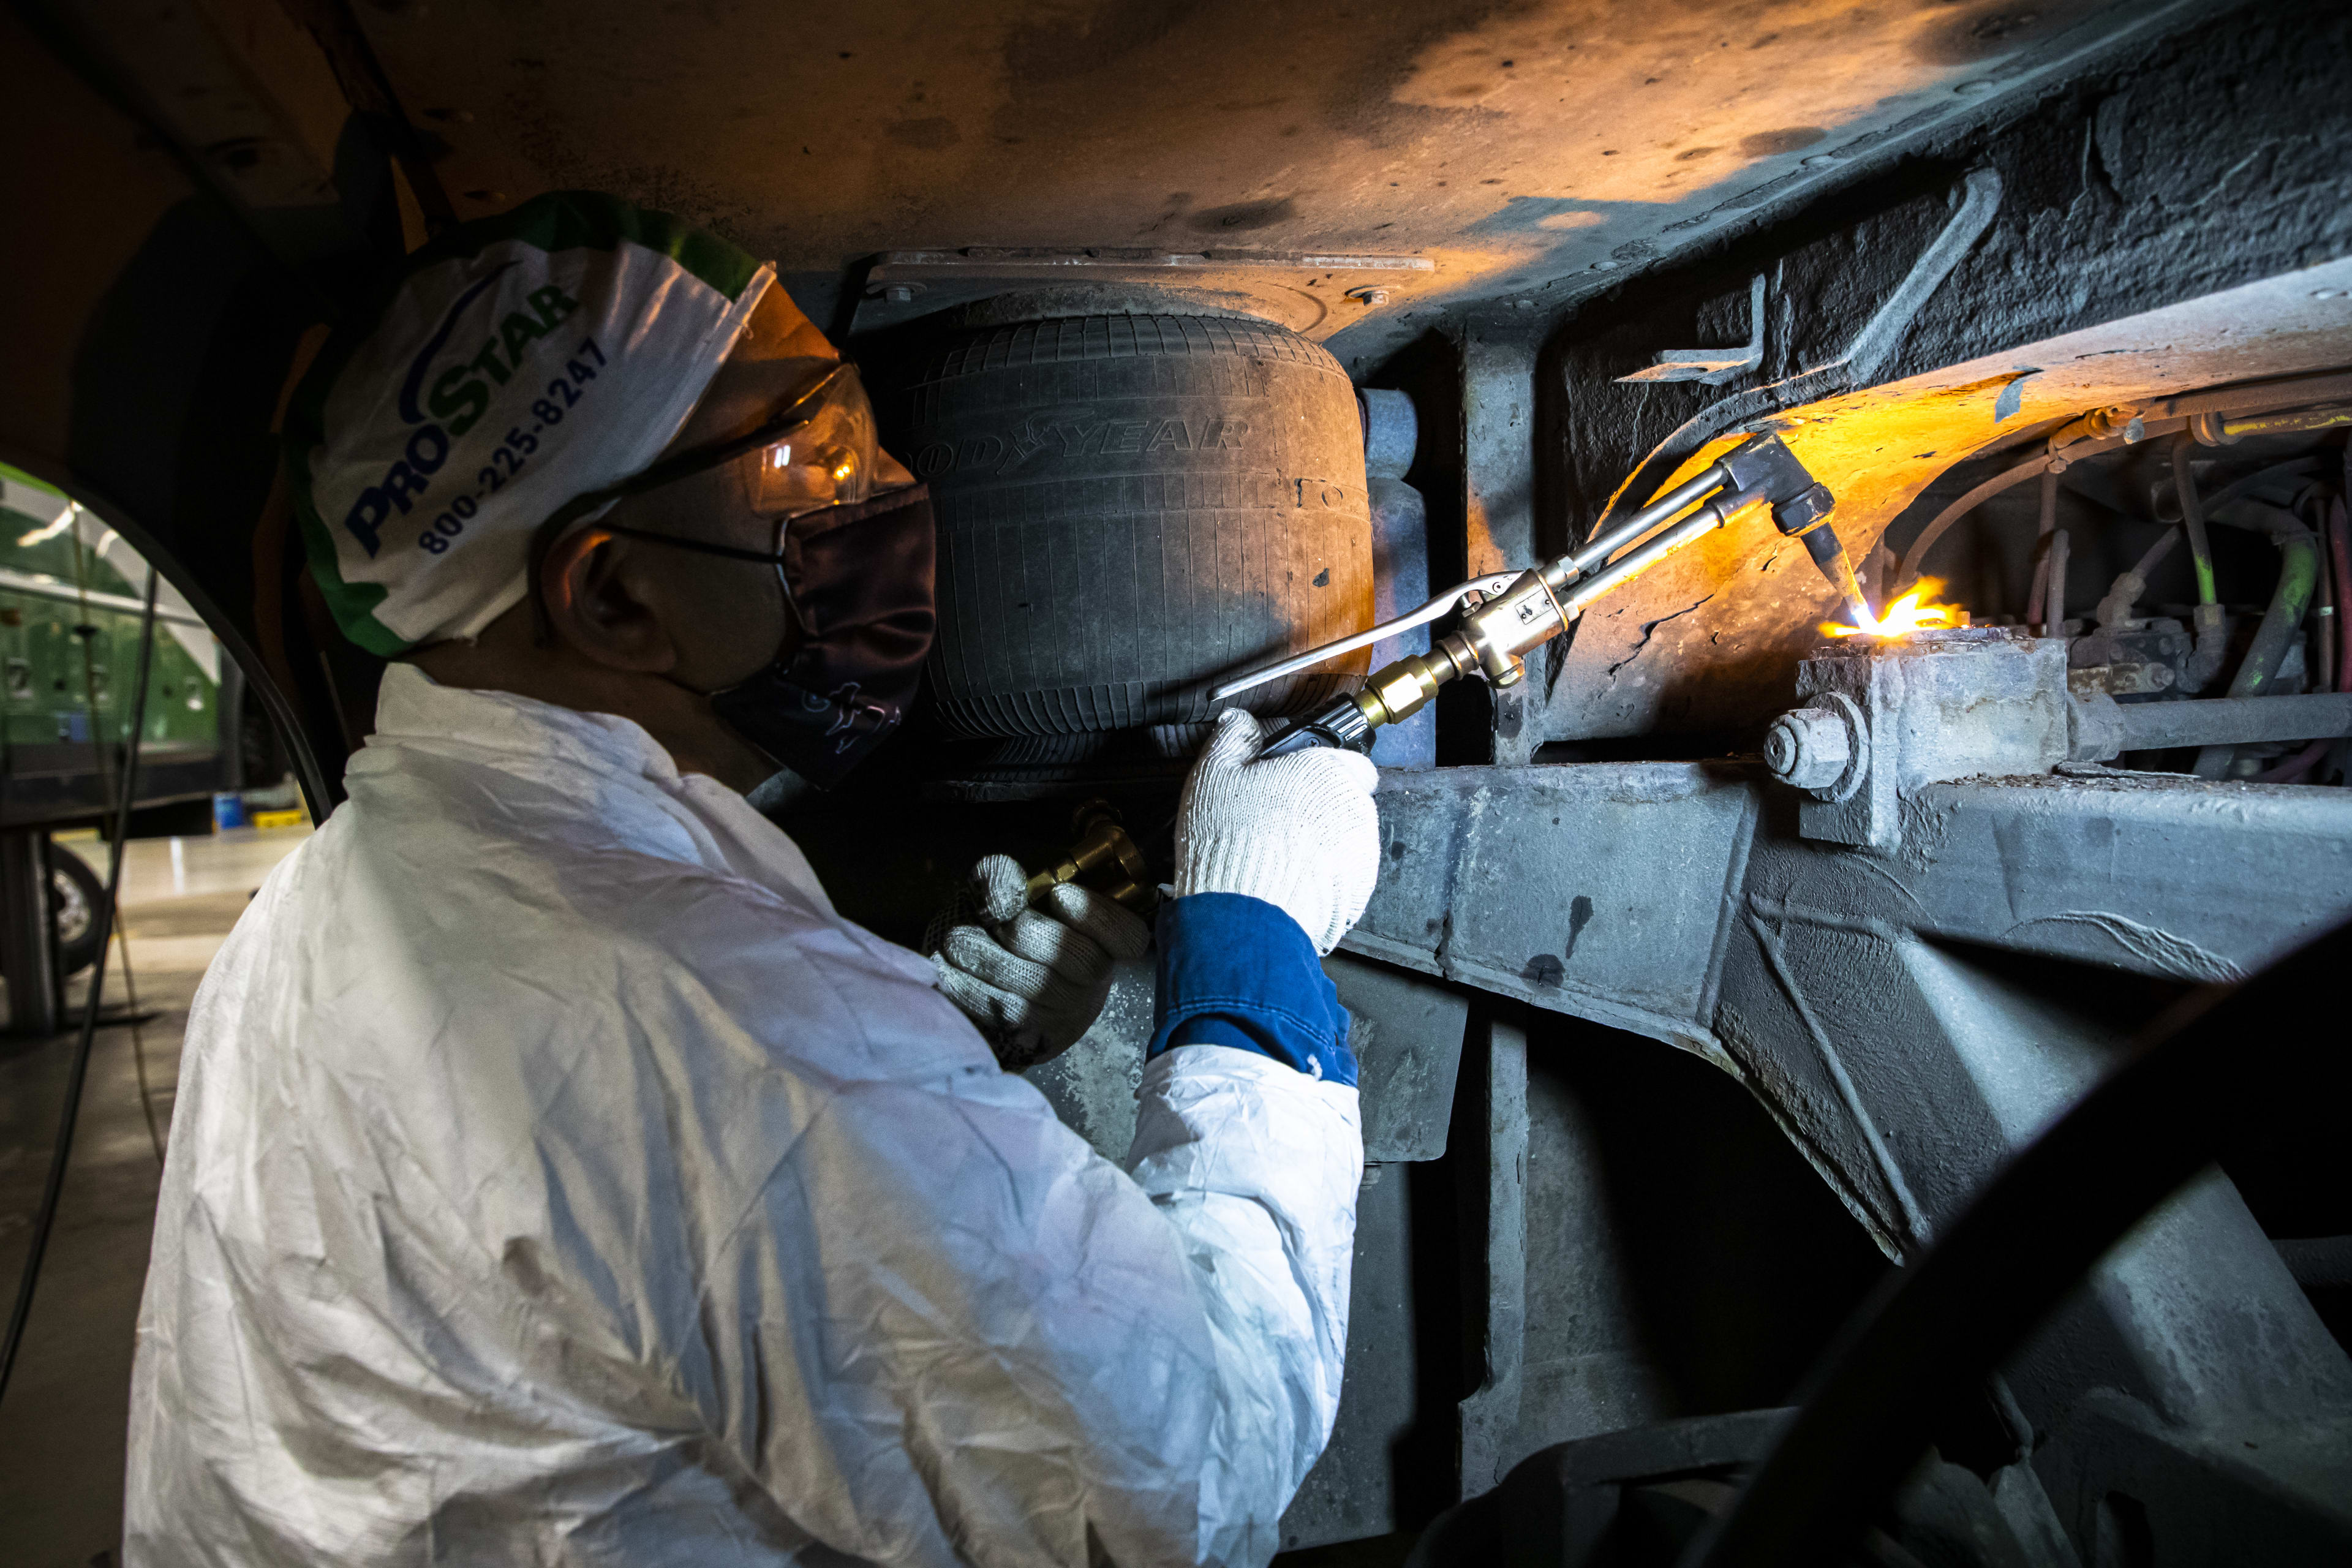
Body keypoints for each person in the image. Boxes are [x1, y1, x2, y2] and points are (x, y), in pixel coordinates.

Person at [125, 192, 1383, 1567]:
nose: (887, 492)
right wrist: (1256, 950)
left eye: (859, 425)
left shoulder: (305, 917)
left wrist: (936, 1067)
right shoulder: (722, 1016)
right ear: (609, 597)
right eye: (815, 463)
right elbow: (1188, 1479)